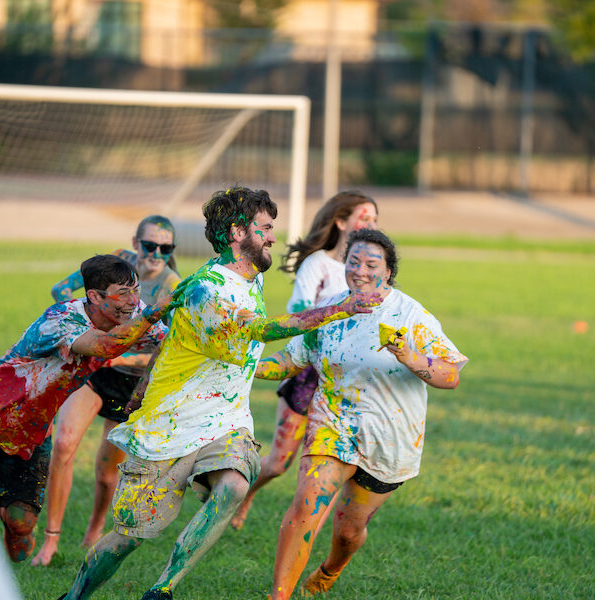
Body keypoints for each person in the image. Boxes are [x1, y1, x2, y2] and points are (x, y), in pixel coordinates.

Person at [59, 187, 382, 600]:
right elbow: (259, 331)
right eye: (265, 229)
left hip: (224, 424)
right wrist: (340, 307)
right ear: (236, 233)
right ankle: (71, 597)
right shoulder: (206, 289)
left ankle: (162, 589)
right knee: (127, 538)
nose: (272, 237)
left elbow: (229, 350)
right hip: (168, 428)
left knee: (232, 487)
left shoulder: (253, 277)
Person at [255, 229, 468, 599]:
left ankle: (332, 567)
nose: (361, 271)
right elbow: (288, 361)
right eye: (353, 262)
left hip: (390, 439)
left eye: (372, 264)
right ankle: (279, 595)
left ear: (387, 271)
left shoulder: (410, 314)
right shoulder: (330, 312)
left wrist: (412, 358)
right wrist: (240, 364)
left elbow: (450, 375)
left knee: (348, 531)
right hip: (332, 424)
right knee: (307, 502)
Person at [0, 254, 173, 563]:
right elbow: (105, 347)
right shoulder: (62, 320)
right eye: (123, 293)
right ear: (94, 296)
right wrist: (156, 312)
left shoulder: (134, 312)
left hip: (33, 432)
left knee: (20, 533)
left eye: (136, 290)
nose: (133, 301)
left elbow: (168, 342)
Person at [32, 216, 181, 566]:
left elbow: (171, 348)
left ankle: (94, 528)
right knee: (65, 443)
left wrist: (119, 354)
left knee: (105, 474)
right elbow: (61, 290)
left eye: (165, 248)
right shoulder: (118, 262)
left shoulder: (171, 285)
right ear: (135, 242)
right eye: (149, 245)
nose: (156, 253)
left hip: (130, 380)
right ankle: (50, 541)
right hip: (95, 369)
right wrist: (86, 326)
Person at [231, 190, 378, 531]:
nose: (371, 225)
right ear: (341, 221)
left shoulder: (370, 269)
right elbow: (298, 312)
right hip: (307, 371)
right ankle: (243, 495)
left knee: (334, 461)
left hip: (347, 376)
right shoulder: (318, 265)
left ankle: (308, 526)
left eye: (374, 220)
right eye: (364, 217)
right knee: (280, 462)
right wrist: (333, 314)